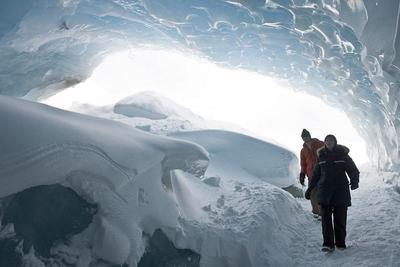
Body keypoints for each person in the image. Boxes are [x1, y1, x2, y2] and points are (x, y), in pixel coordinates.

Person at [305, 134, 359, 252]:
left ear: (335, 142)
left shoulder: (342, 154)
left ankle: (340, 243)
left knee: (340, 219)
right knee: (325, 219)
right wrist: (310, 189)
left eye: (331, 140)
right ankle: (328, 244)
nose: (328, 142)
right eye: (327, 140)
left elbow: (352, 169)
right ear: (324, 142)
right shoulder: (321, 156)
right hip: (324, 191)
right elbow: (315, 175)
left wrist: (354, 180)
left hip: (340, 191)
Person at [300, 129, 324, 217]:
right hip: (311, 175)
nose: (305, 138)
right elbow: (303, 164)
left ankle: (323, 212)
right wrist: (302, 174)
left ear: (310, 136)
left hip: (322, 173)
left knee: (322, 193)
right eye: (303, 137)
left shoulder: (320, 144)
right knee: (313, 193)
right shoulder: (303, 151)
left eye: (306, 136)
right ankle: (316, 212)